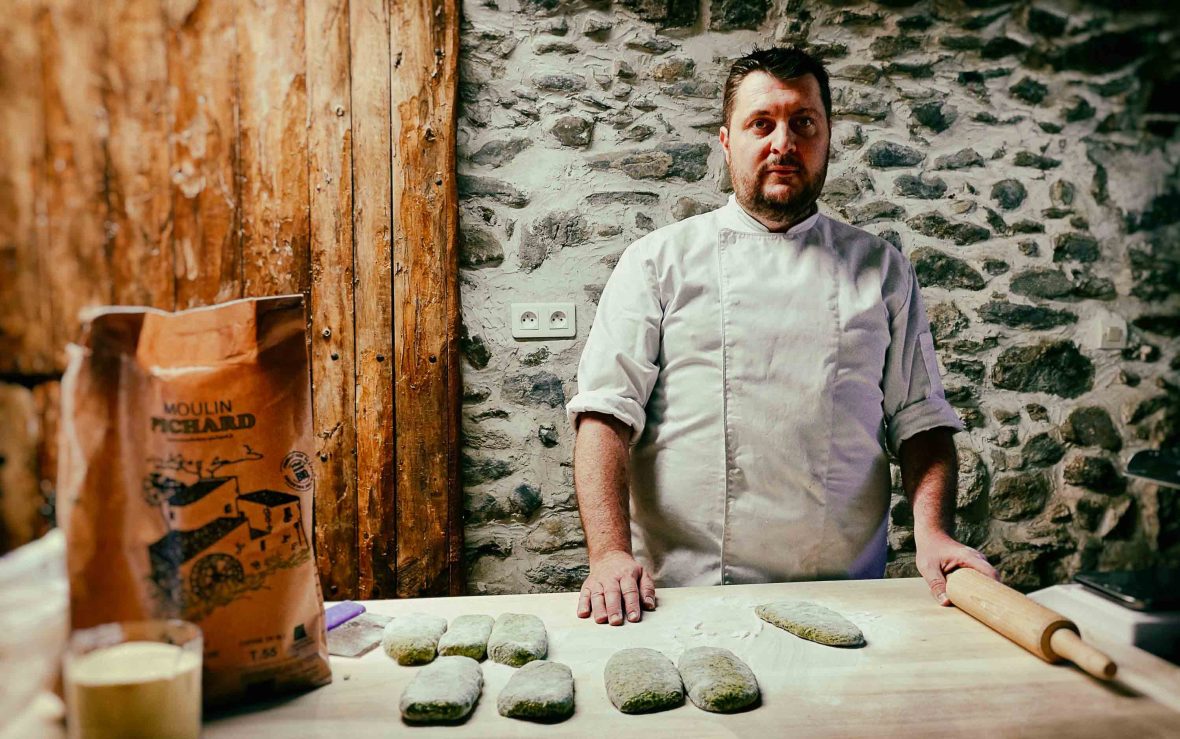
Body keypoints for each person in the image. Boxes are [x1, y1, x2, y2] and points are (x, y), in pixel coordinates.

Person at [565, 47, 998, 627]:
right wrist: (610, 555)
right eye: (761, 124)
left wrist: (935, 535)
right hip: (681, 591)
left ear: (827, 138)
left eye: (803, 123)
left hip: (845, 590)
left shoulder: (882, 268)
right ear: (726, 141)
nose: (783, 143)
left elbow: (921, 422)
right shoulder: (656, 262)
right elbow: (604, 420)